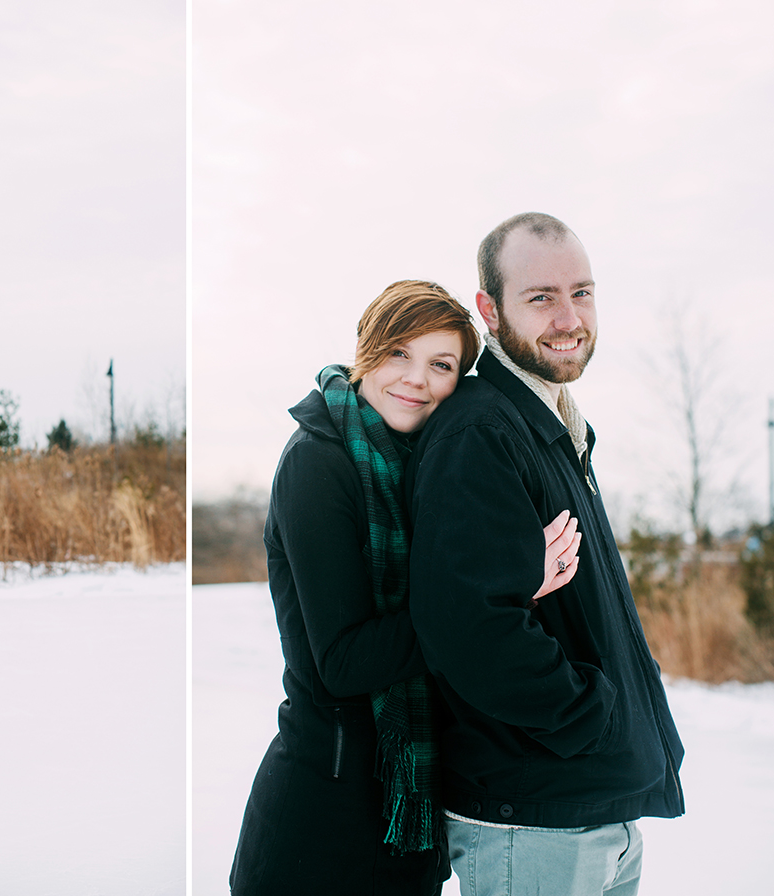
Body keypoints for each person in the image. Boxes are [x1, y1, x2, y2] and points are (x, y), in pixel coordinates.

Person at [229, 281, 582, 896]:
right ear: (367, 350)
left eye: (441, 365)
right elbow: (343, 662)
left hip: (405, 830)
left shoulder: (419, 470)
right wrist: (497, 596)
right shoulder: (319, 463)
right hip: (319, 833)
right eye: (399, 353)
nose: (416, 379)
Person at [405, 214, 685, 896]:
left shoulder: (551, 424)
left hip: (590, 812)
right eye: (541, 298)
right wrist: (591, 715)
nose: (568, 317)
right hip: (532, 822)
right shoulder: (480, 432)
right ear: (490, 311)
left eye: (582, 293)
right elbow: (469, 628)